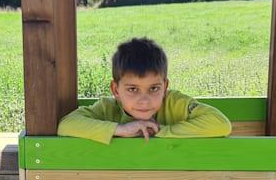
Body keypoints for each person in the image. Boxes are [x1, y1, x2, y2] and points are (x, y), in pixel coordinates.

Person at [57, 37, 232, 144]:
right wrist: (121, 129)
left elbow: (220, 123)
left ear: (165, 87)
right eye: (133, 89)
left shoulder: (175, 103)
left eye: (154, 88)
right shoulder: (107, 108)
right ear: (115, 90)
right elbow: (66, 125)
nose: (144, 100)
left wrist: (159, 131)